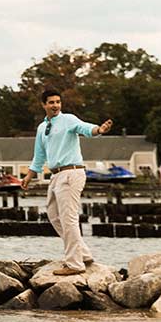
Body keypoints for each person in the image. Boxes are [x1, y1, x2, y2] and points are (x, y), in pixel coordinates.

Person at [21, 88, 113, 275]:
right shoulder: (42, 128)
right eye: (51, 102)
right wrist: (29, 176)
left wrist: (99, 130)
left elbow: (86, 128)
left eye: (58, 102)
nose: (55, 105)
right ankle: (84, 254)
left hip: (72, 173)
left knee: (68, 219)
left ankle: (74, 264)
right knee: (54, 216)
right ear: (43, 105)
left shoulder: (68, 119)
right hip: (55, 175)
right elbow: (39, 156)